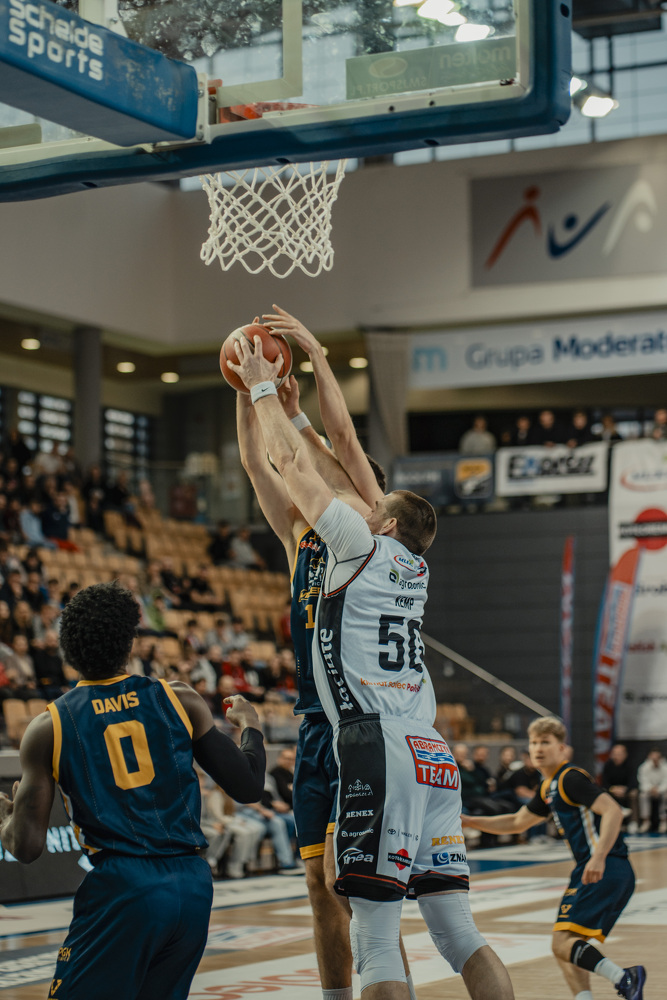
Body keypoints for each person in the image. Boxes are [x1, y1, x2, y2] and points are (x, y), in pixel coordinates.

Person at [230, 328, 514, 1000]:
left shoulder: (356, 535)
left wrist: (272, 386)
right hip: (370, 731)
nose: (334, 477)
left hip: (366, 735)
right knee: (413, 914)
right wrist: (248, 392)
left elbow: (321, 452)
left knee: (370, 914)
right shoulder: (332, 543)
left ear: (374, 509)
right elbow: (270, 463)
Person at [235, 308, 419, 1000]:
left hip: (361, 723)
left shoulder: (370, 519)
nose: (311, 466)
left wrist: (312, 354)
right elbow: (257, 459)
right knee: (317, 884)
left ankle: (390, 988)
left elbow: (336, 434)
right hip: (315, 722)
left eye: (326, 465)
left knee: (358, 882)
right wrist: (243, 388)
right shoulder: (300, 536)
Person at [0, 581, 266, 1000]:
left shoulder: (49, 726)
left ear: (66, 651)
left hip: (123, 887)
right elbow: (249, 786)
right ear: (130, 644)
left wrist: (7, 820)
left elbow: (26, 847)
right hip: (192, 886)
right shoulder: (180, 698)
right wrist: (250, 725)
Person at [462, 716, 646, 1000]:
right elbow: (517, 822)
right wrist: (469, 821)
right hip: (597, 868)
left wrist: (598, 857)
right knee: (565, 945)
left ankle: (625, 978)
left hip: (604, 866)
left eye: (546, 742)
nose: (538, 748)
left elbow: (612, 810)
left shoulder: (570, 778)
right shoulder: (549, 785)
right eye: (534, 742)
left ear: (561, 748)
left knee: (562, 943)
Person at [601, 743, 639, 834]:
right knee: (602, 794)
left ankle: (633, 822)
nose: (616, 757)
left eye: (619, 754)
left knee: (634, 793)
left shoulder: (630, 765)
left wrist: (625, 790)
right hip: (612, 791)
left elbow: (634, 782)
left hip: (626, 791)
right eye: (614, 754)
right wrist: (612, 789)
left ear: (625, 755)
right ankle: (609, 822)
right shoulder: (608, 765)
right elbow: (604, 782)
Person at [637, 747, 667, 834]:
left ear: (660, 757)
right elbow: (643, 781)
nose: (655, 760)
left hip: (662, 791)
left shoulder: (665, 767)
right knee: (643, 795)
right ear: (649, 757)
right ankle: (646, 821)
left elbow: (666, 781)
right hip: (649, 791)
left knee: (666, 795)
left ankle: (663, 821)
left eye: (657, 758)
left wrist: (659, 790)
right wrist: (651, 789)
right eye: (653, 758)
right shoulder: (643, 767)